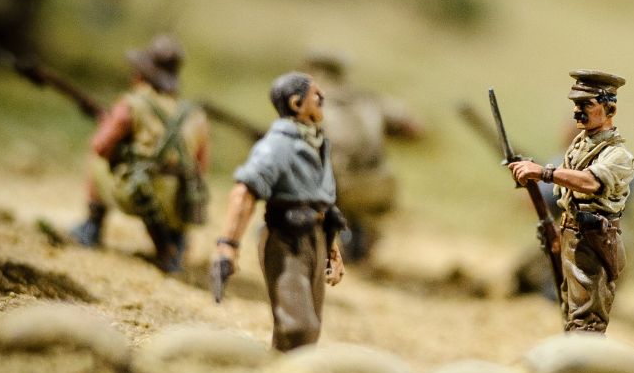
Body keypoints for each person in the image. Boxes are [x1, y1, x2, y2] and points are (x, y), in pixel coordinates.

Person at [212, 71, 347, 352]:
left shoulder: (319, 144)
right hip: (287, 242)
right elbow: (244, 191)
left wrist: (332, 249)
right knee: (299, 327)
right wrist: (228, 244)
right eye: (316, 95)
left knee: (310, 331)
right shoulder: (278, 145)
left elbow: (323, 203)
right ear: (297, 104)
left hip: (316, 240)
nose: (323, 99)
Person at [508, 70, 634, 333]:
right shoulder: (579, 148)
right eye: (576, 105)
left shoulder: (617, 155)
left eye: (586, 105)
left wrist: (543, 173)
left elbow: (590, 182)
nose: (578, 111)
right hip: (571, 236)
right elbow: (565, 197)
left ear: (609, 108)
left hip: (595, 242)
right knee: (569, 309)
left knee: (588, 318)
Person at [69, 35, 209, 273]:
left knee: (97, 162)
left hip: (139, 193)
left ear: (140, 75)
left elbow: (101, 147)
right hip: (180, 201)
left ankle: (92, 225)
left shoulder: (132, 104)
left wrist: (107, 125)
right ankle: (177, 240)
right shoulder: (195, 115)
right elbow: (201, 165)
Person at [303, 51, 422, 262]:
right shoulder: (371, 100)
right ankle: (361, 235)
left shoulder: (310, 101)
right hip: (381, 186)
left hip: (339, 186)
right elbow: (413, 128)